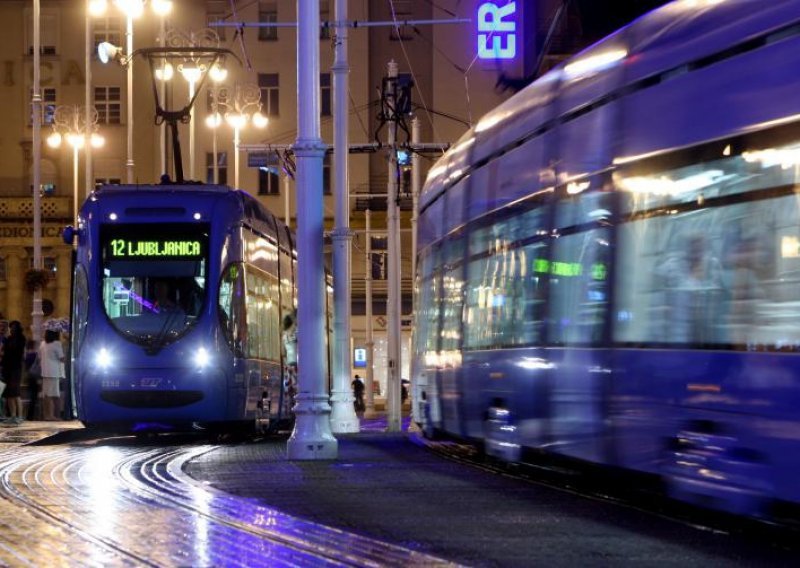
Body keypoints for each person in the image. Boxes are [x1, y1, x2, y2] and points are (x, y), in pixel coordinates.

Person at [1, 321, 26, 424]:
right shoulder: (8, 339)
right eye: (11, 327)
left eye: (13, 327)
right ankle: (12, 415)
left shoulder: (21, 339)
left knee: (15, 393)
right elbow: (4, 352)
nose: (12, 329)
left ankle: (19, 416)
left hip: (15, 368)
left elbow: (17, 351)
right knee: (9, 394)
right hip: (7, 368)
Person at [40, 329, 65, 421]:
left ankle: (47, 415)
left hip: (45, 372)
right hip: (54, 372)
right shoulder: (57, 344)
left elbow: (40, 357)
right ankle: (52, 416)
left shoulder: (42, 344)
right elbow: (62, 358)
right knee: (53, 395)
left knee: (46, 395)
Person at [282, 312, 298, 406]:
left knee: (290, 387)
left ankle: (292, 405)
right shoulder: (293, 336)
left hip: (290, 366)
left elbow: (283, 353)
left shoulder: (285, 337)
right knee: (293, 387)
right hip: (293, 366)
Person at [24, 340, 41, 421]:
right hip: (35, 377)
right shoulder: (35, 355)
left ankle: (29, 415)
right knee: (34, 398)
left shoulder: (26, 355)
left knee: (31, 397)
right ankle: (31, 416)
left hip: (29, 377)